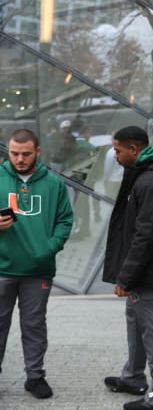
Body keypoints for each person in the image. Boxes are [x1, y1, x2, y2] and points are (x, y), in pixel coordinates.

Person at [102, 126, 153, 410]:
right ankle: (133, 377)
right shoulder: (144, 176)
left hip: (149, 275)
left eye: (118, 150)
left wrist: (126, 276)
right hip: (142, 274)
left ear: (134, 149)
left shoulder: (152, 182)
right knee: (136, 324)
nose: (115, 156)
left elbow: (145, 234)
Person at [0, 129, 73, 399]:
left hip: (37, 270)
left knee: (34, 326)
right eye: (14, 153)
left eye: (26, 153)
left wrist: (49, 248)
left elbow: (65, 220)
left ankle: (35, 377)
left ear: (38, 152)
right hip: (1, 268)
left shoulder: (53, 184)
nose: (19, 158)